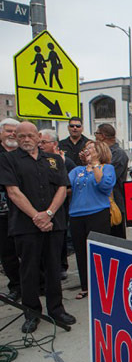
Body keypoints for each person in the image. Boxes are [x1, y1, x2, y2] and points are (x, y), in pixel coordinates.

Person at [0, 122, 76, 333]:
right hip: (26, 226)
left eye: (30, 136)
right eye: (21, 135)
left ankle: (56, 309)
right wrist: (37, 217)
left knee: (54, 268)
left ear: (37, 137)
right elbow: (13, 192)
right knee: (29, 270)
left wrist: (49, 214)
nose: (25, 139)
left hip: (54, 223)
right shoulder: (8, 159)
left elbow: (62, 187)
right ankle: (32, 313)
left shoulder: (53, 160)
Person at [69, 141, 115, 300]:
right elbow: (66, 186)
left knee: (99, 252)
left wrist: (95, 165)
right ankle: (85, 285)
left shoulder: (107, 168)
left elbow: (104, 186)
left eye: (91, 149)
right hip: (76, 215)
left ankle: (104, 285)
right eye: (86, 149)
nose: (87, 151)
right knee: (81, 252)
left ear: (99, 151)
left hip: (97, 213)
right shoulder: (77, 170)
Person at [40, 129, 76, 279]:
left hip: (60, 209)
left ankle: (60, 267)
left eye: (44, 142)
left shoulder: (65, 162)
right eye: (39, 142)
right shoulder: (37, 161)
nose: (40, 145)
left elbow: (71, 186)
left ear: (54, 144)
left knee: (59, 241)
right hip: (40, 210)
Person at [95, 123, 128, 238]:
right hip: (100, 202)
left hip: (114, 202)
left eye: (96, 134)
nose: (95, 137)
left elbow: (108, 178)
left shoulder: (118, 154)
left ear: (102, 136)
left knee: (116, 239)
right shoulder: (102, 153)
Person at [0, 118, 21, 302]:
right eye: (8, 131)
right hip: (3, 214)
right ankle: (15, 286)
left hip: (25, 212)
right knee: (8, 253)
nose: (12, 134)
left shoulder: (25, 154)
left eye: (15, 131)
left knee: (30, 252)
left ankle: (36, 284)